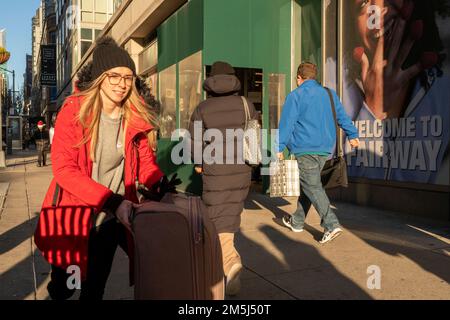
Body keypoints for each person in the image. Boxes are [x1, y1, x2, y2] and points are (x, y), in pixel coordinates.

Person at [34, 36, 176, 300]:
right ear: (100, 77)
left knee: (95, 288)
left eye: (127, 78)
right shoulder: (74, 112)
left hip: (109, 220)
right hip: (74, 217)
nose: (121, 84)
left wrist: (158, 181)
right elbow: (64, 169)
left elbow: (144, 161)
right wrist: (111, 200)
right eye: (114, 76)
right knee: (66, 287)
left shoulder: (133, 116)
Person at [189, 61, 257, 296]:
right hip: (241, 170)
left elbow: (195, 140)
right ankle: (228, 263)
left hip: (215, 170)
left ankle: (229, 261)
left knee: (218, 217)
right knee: (231, 212)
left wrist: (198, 163)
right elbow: (255, 136)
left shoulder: (202, 108)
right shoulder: (245, 104)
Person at [277, 62, 360, 244]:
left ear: (299, 78)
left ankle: (331, 224)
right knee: (310, 184)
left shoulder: (295, 96)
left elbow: (287, 123)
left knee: (312, 186)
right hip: (324, 149)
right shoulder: (329, 94)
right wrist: (352, 135)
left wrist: (279, 147)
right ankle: (297, 222)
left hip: (305, 148)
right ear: (314, 77)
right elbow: (342, 117)